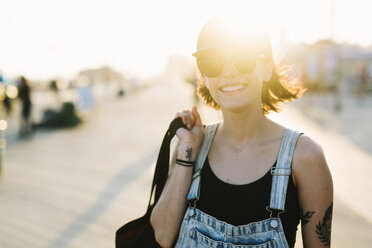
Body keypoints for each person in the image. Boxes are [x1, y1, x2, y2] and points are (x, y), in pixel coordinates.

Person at [150, 15, 333, 248]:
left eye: (243, 58)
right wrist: (187, 150)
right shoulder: (191, 147)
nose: (228, 72)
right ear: (204, 77)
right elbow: (163, 237)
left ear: (266, 69)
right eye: (213, 63)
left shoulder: (305, 157)